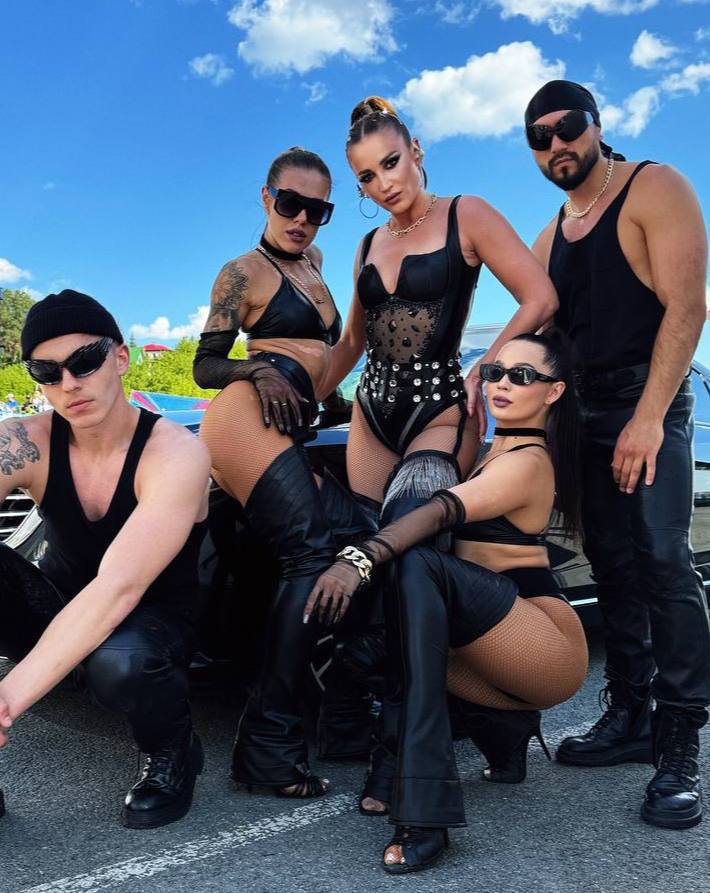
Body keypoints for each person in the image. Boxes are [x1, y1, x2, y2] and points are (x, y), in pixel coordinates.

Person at [306, 331, 589, 873]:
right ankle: (500, 730)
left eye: (522, 376)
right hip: (489, 643)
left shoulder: (528, 460)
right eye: (496, 372)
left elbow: (439, 511)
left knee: (412, 560)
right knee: (380, 626)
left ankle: (425, 808)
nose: (502, 384)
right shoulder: (488, 451)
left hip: (544, 645)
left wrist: (358, 559)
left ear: (553, 392)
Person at [525, 79, 710, 830]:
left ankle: (680, 739)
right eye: (539, 137)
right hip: (583, 413)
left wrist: (650, 417)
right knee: (610, 564)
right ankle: (630, 712)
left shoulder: (653, 186)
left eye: (567, 126)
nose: (556, 145)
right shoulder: (550, 235)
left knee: (663, 560)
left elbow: (688, 306)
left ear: (596, 125)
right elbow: (533, 324)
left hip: (649, 402)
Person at [193, 147, 369, 797]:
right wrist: (257, 370)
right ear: (267, 198)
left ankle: (343, 710)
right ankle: (267, 745)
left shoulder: (314, 261)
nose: (302, 220)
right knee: (311, 554)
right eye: (291, 204)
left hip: (291, 424)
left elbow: (318, 353)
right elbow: (205, 366)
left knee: (361, 541)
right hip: (246, 416)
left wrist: (338, 401)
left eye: (318, 210)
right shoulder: (241, 272)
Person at [0, 289, 210, 829]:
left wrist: (7, 700)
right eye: (47, 372)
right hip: (56, 605)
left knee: (120, 661)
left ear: (120, 357)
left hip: (149, 621)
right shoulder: (25, 441)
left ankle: (173, 748)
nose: (69, 384)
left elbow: (119, 587)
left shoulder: (175, 452)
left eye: (85, 361)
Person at [317, 96, 559, 528]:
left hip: (440, 413)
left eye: (391, 163)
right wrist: (303, 400)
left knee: (408, 529)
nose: (384, 184)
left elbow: (540, 298)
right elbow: (352, 341)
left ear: (416, 150)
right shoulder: (368, 245)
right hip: (370, 418)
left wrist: (482, 369)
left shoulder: (466, 213)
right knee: (366, 539)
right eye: (367, 177)